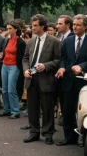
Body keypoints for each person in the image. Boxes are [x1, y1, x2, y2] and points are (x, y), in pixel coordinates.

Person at [55, 14, 87, 146]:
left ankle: (85, 138)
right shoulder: (68, 41)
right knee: (68, 111)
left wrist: (81, 66)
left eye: (78, 25)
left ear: (85, 26)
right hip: (68, 81)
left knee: (84, 111)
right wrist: (62, 68)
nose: (75, 27)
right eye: (74, 24)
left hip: (84, 82)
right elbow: (63, 58)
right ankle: (69, 137)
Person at [22, 14, 60, 145]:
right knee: (32, 108)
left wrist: (45, 66)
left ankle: (48, 133)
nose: (32, 28)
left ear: (42, 26)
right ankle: (34, 133)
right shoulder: (31, 41)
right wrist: (26, 69)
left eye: (35, 26)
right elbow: (25, 58)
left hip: (46, 79)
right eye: (32, 26)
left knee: (47, 107)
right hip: (31, 78)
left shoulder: (54, 41)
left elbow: (58, 60)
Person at [0, 20, 26, 119]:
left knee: (11, 90)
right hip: (5, 65)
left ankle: (15, 111)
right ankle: (7, 109)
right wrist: (1, 56)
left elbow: (23, 56)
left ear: (15, 29)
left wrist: (20, 68)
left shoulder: (20, 42)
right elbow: (6, 52)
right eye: (7, 28)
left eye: (10, 28)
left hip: (14, 66)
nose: (8, 30)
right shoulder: (8, 40)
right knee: (4, 90)